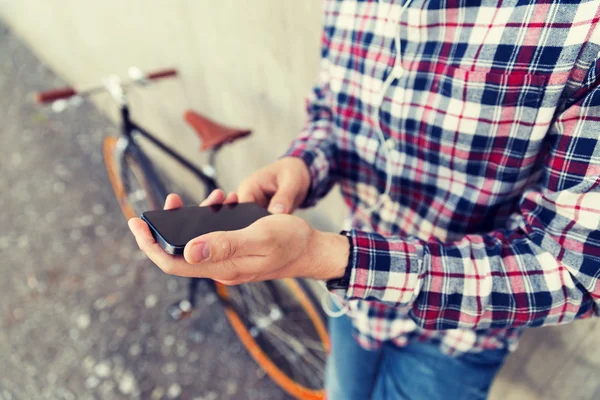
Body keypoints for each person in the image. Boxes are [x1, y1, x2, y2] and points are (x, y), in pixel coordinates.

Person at [129, 0, 600, 398]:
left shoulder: (583, 22)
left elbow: (576, 271)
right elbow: (333, 113)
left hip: (458, 339)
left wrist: (329, 257)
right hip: (352, 305)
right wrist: (304, 164)